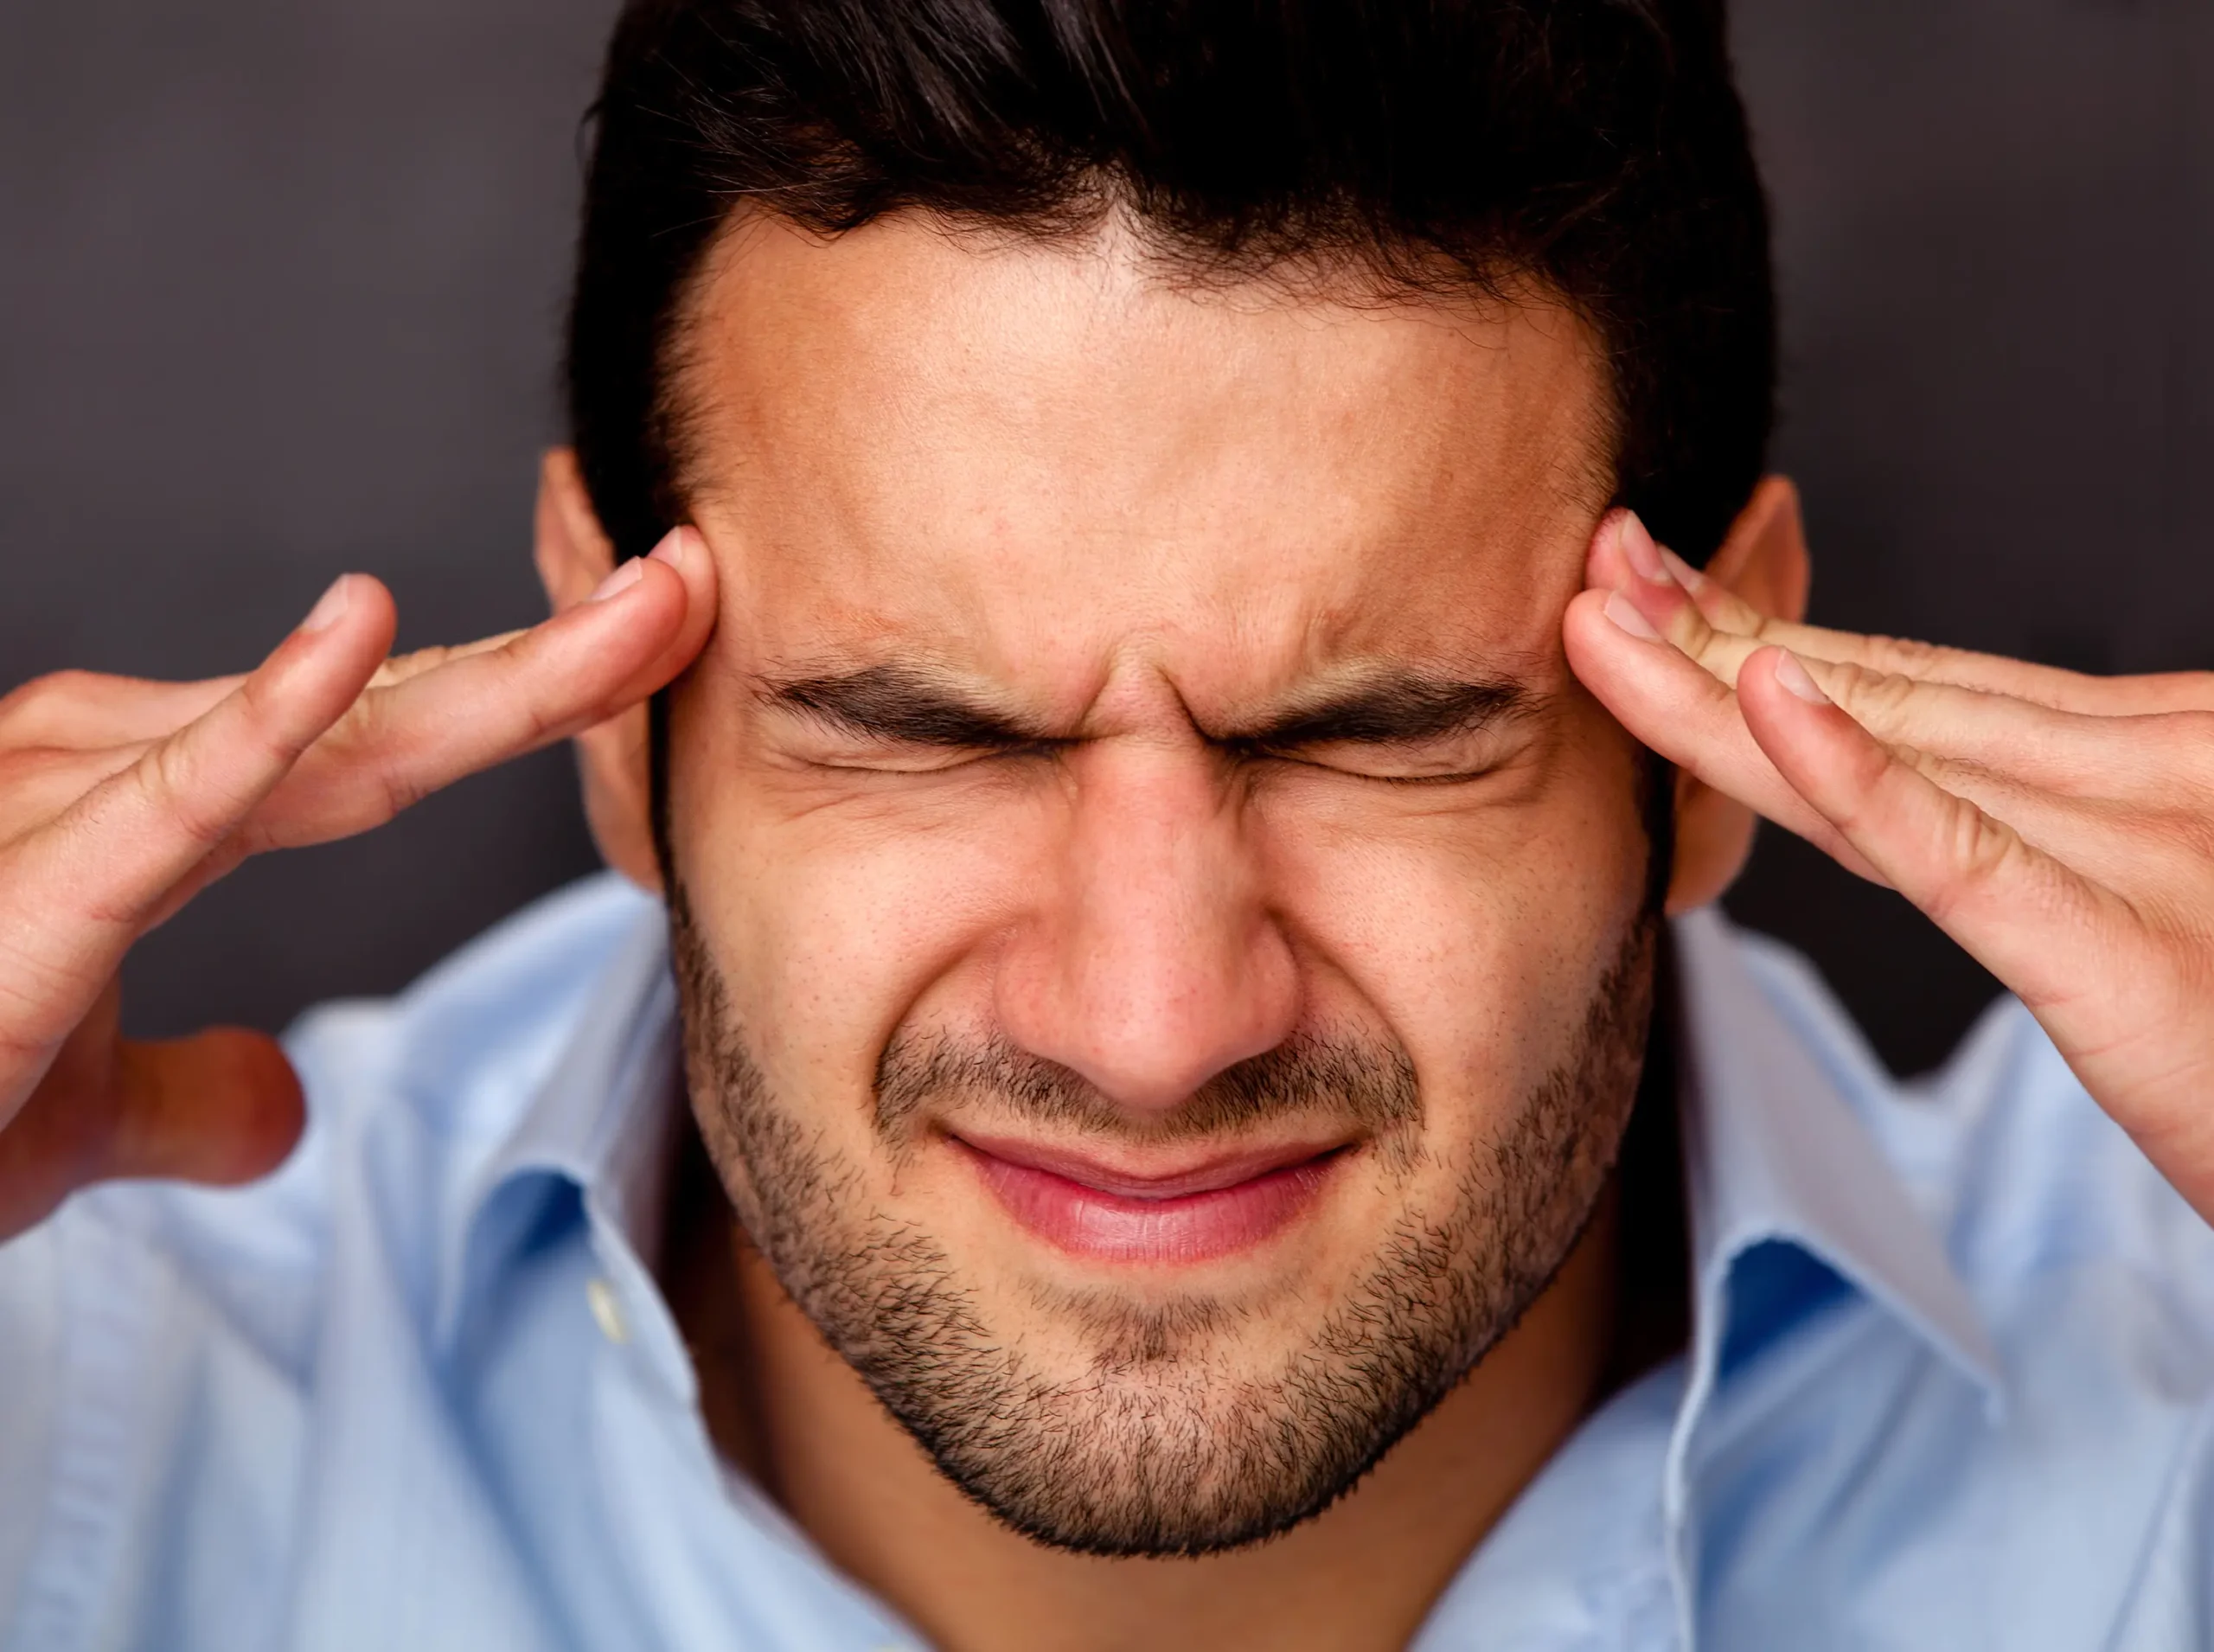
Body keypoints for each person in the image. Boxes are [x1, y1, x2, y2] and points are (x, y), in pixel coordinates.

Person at [1, 1, 2209, 1647]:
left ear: (1733, 724)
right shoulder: (75, 1395)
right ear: (608, 704)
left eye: (1372, 734)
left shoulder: (2164, 1403)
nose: (1154, 1027)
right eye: (924, 728)